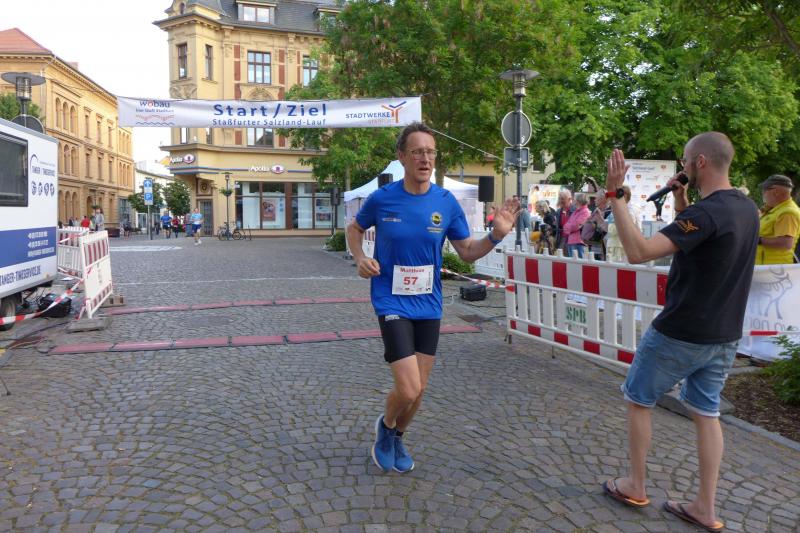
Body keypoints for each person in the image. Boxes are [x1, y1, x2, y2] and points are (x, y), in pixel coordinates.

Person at [600, 132, 758, 533]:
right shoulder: (746, 208)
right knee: (707, 413)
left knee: (639, 399)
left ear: (700, 162)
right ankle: (705, 506)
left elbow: (638, 252)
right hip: (724, 333)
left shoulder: (706, 214)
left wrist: (616, 196)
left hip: (681, 330)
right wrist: (681, 203)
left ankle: (635, 485)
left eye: (687, 161)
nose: (684, 167)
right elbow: (705, 242)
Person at [346, 122, 520, 474]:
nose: (425, 159)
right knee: (408, 388)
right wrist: (361, 258)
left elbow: (467, 251)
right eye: (417, 152)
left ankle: (398, 437)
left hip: (428, 303)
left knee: (420, 389)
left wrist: (496, 236)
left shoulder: (445, 202)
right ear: (402, 157)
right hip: (391, 300)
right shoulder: (382, 198)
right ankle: (386, 427)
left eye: (430, 152)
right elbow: (354, 228)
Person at [755, 174, 799, 265]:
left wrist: (757, 240)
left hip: (774, 269)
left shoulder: (787, 213)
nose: (763, 193)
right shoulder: (776, 210)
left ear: (775, 192)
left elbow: (785, 243)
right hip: (768, 266)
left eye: (764, 190)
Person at [605, 186, 642, 263]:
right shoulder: (619, 209)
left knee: (617, 268)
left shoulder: (629, 210)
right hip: (617, 245)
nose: (616, 197)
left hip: (620, 246)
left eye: (618, 195)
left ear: (625, 196)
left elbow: (614, 230)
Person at [561, 193, 591, 258]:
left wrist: (568, 227)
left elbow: (576, 225)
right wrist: (569, 227)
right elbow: (566, 225)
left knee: (580, 262)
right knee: (572, 262)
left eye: (575, 199)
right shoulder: (576, 212)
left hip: (579, 242)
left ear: (579, 201)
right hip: (571, 241)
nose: (574, 201)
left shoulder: (585, 212)